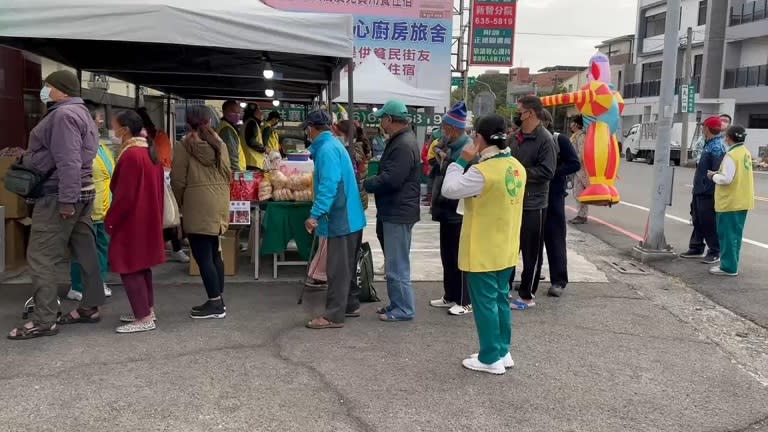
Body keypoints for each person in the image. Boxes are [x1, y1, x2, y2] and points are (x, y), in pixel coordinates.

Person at [8, 71, 106, 340]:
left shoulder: (63, 116)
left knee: (41, 257)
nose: (44, 90)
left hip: (59, 195)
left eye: (47, 86)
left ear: (61, 90)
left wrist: (66, 200)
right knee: (85, 251)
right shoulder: (82, 112)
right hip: (83, 192)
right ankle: (90, 307)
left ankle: (44, 319)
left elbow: (68, 160)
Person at [441, 114, 526, 375]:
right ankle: (502, 350)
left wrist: (461, 160)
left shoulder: (482, 172)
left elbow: (449, 189)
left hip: (483, 248)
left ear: (479, 138)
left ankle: (490, 358)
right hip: (507, 246)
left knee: (485, 303)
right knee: (501, 299)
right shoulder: (516, 167)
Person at [303, 110, 367, 329]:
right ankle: (349, 304)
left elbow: (329, 185)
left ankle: (333, 315)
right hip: (351, 216)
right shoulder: (333, 145)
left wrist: (315, 214)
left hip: (342, 218)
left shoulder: (327, 150)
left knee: (337, 269)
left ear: (311, 128)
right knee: (346, 266)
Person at [106, 110, 165, 334]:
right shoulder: (148, 152)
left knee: (128, 266)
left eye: (114, 126)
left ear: (124, 129)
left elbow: (124, 196)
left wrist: (110, 220)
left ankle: (144, 316)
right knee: (141, 266)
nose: (112, 130)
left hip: (132, 220)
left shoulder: (131, 155)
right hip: (148, 217)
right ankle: (146, 309)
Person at [364, 100, 420, 322]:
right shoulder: (402, 140)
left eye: (382, 119)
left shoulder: (403, 144)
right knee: (394, 262)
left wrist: (367, 183)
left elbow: (392, 179)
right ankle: (396, 303)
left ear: (389, 119)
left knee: (397, 264)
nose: (381, 123)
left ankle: (404, 308)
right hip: (395, 209)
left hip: (398, 211)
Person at [172, 106, 231, 318]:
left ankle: (215, 303)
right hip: (219, 201)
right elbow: (228, 173)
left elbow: (178, 180)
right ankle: (219, 298)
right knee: (214, 251)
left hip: (196, 203)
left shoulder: (183, 146)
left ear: (188, 124)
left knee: (202, 255)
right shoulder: (220, 144)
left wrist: (179, 205)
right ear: (210, 121)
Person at [508, 95, 557, 310]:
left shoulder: (545, 139)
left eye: (520, 111)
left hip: (533, 203)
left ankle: (527, 295)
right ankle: (505, 288)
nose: (517, 115)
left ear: (530, 113)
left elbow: (547, 171)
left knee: (531, 252)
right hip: (512, 200)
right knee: (509, 248)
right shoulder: (515, 137)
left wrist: (519, 173)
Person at [66, 104, 116, 302]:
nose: (102, 121)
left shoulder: (101, 146)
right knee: (83, 250)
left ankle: (98, 282)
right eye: (99, 118)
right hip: (87, 207)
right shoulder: (77, 146)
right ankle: (78, 286)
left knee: (102, 248)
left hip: (104, 208)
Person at [429, 102, 474, 316]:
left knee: (461, 257)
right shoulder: (448, 147)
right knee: (447, 255)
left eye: (445, 128)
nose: (442, 132)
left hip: (459, 211)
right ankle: (450, 294)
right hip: (445, 209)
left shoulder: (467, 150)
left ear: (454, 129)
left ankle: (465, 300)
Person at [137, 106, 190, 264]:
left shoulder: (153, 140)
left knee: (166, 215)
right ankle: (172, 246)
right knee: (165, 215)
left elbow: (161, 162)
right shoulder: (159, 138)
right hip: (158, 179)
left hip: (157, 180)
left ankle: (174, 247)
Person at [537, 110, 581, 297]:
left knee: (555, 239)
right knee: (532, 240)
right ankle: (531, 276)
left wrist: (552, 172)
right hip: (533, 196)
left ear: (546, 121)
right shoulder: (527, 140)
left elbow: (574, 163)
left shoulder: (558, 139)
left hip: (553, 195)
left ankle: (559, 281)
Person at [679, 117, 727, 264]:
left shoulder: (717, 147)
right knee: (697, 218)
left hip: (708, 190)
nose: (701, 129)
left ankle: (714, 251)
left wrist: (709, 187)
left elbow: (717, 171)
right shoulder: (708, 144)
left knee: (708, 221)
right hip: (700, 188)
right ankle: (696, 247)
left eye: (703, 127)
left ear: (707, 128)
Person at [708, 126, 754, 277]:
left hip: (730, 202)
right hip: (742, 200)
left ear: (729, 137)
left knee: (727, 235)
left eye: (725, 136)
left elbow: (727, 178)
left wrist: (713, 176)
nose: (724, 138)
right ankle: (732, 263)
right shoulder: (745, 152)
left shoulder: (731, 154)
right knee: (735, 235)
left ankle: (728, 267)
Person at [568, 115, 589, 224]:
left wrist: (573, 163)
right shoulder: (575, 136)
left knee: (580, 192)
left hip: (581, 170)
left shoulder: (581, 136)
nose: (570, 124)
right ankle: (581, 214)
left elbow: (582, 153)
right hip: (577, 168)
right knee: (578, 192)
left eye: (572, 122)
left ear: (576, 124)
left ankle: (582, 215)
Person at [216, 100, 246, 172]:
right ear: (224, 112)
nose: (236, 115)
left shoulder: (227, 126)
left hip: (237, 171)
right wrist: (237, 174)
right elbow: (232, 155)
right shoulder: (227, 130)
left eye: (238, 112)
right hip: (236, 172)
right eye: (233, 112)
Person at [241, 103, 268, 170]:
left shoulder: (247, 122)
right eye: (259, 110)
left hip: (249, 160)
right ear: (255, 112)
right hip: (253, 162)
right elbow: (251, 141)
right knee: (252, 180)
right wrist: (264, 149)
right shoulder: (252, 123)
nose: (261, 113)